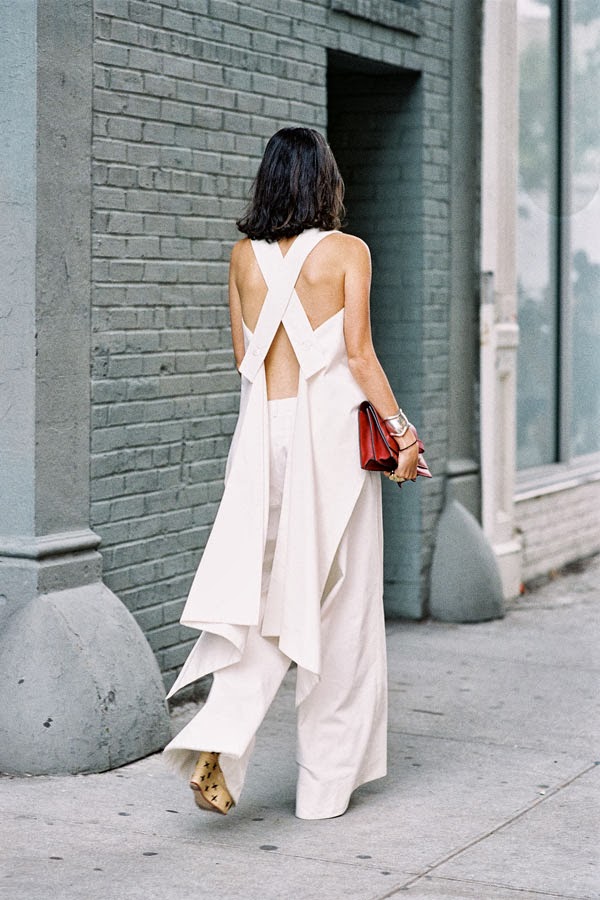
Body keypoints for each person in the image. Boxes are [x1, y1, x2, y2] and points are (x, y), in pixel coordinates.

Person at [162, 126, 420, 820]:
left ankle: (219, 734)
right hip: (328, 444)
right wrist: (402, 434)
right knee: (341, 611)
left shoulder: (242, 259)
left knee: (262, 605)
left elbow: (242, 355)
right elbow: (360, 356)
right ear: (325, 181)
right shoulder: (348, 252)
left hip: (259, 444)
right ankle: (323, 790)